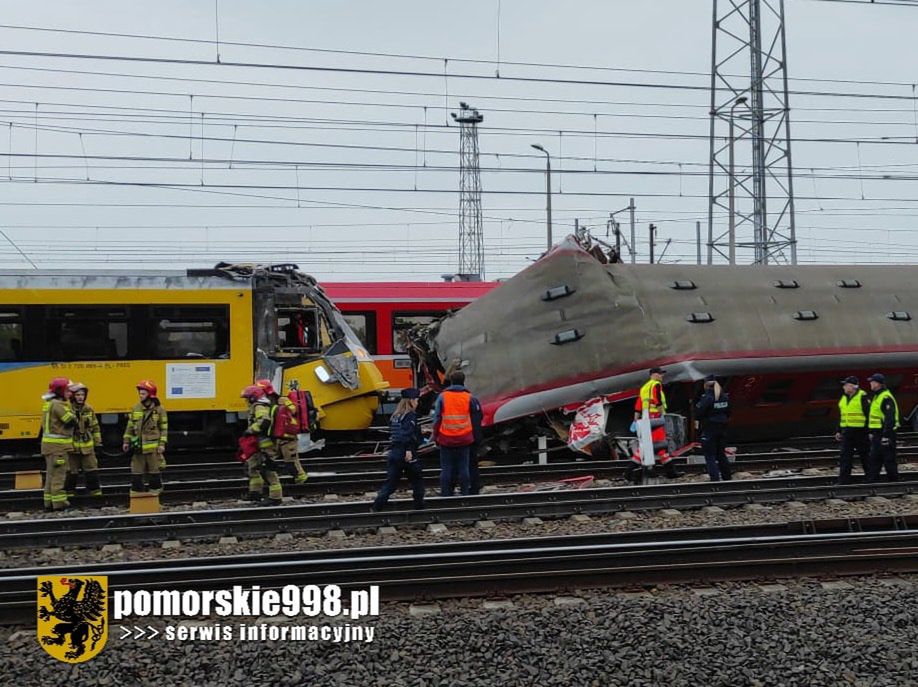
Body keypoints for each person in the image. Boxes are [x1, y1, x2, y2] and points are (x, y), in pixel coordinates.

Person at [371, 388, 425, 511]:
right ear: (411, 401)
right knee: (417, 480)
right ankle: (419, 507)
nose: (417, 402)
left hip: (394, 452)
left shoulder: (395, 415)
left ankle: (377, 506)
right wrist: (409, 450)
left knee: (391, 482)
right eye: (416, 400)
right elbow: (406, 434)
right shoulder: (410, 416)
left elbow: (395, 434)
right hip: (406, 452)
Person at [432, 370, 481, 497]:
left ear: (451, 381)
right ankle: (465, 492)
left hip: (446, 438)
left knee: (446, 468)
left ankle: (446, 493)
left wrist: (435, 435)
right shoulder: (469, 397)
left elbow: (437, 418)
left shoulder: (443, 397)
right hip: (465, 438)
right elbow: (476, 418)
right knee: (464, 468)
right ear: (463, 381)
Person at [632, 367, 682, 479]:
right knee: (659, 444)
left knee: (647, 444)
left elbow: (638, 405)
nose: (662, 376)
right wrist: (663, 416)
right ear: (653, 375)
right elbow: (658, 401)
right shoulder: (656, 385)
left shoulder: (644, 387)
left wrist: (635, 420)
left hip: (645, 418)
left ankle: (630, 470)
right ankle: (670, 472)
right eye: (660, 374)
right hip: (655, 418)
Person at [256, 379, 307, 484]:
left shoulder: (281, 399)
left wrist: (284, 406)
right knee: (267, 460)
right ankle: (270, 480)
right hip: (275, 435)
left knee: (291, 461)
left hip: (287, 436)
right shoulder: (265, 402)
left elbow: (293, 410)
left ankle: (301, 481)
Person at [122, 380, 168, 496]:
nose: (140, 396)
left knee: (154, 472)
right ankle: (137, 495)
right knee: (136, 473)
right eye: (140, 393)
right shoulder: (135, 408)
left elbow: (164, 428)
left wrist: (162, 444)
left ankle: (155, 495)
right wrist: (126, 441)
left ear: (150, 395)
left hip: (153, 449)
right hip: (138, 447)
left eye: (143, 393)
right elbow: (130, 426)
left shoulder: (159, 410)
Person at [241, 384, 283, 505]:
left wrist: (250, 430)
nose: (246, 400)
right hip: (257, 443)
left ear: (253, 397)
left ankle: (275, 498)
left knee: (267, 469)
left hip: (265, 444)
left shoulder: (259, 406)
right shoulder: (257, 405)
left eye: (247, 398)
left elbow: (264, 421)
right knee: (252, 467)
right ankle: (255, 494)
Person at [40, 377, 76, 511]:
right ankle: (59, 504)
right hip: (58, 448)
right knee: (59, 475)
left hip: (49, 447)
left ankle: (48, 502)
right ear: (60, 391)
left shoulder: (49, 403)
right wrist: (71, 407)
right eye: (67, 391)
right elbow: (71, 421)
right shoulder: (58, 405)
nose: (70, 394)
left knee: (51, 474)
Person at [64, 382, 103, 499]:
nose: (81, 397)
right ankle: (69, 495)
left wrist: (98, 442)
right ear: (72, 396)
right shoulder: (67, 409)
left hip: (87, 446)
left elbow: (95, 427)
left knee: (91, 470)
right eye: (77, 395)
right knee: (71, 472)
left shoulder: (88, 409)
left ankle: (96, 495)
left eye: (82, 395)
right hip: (71, 448)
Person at [694, 375, 732, 481]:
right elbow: (729, 412)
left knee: (709, 455)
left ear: (706, 385)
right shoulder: (724, 396)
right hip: (722, 428)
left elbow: (699, 412)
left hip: (710, 428)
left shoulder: (707, 398)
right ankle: (727, 477)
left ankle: (715, 479)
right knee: (721, 454)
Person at [835, 376, 870, 484]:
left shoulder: (862, 396)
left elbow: (869, 415)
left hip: (861, 432)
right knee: (845, 457)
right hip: (847, 432)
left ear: (852, 386)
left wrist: (870, 431)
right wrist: (839, 430)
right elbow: (842, 415)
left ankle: (871, 479)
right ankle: (843, 480)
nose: (843, 387)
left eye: (845, 385)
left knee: (865, 456)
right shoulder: (844, 398)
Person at [866, 373, 899, 482]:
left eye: (872, 382)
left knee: (888, 459)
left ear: (878, 384)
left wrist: (886, 435)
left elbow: (890, 418)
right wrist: (871, 432)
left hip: (885, 433)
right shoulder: (877, 396)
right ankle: (872, 481)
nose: (870, 383)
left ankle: (893, 482)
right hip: (877, 433)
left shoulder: (885, 397)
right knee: (875, 458)